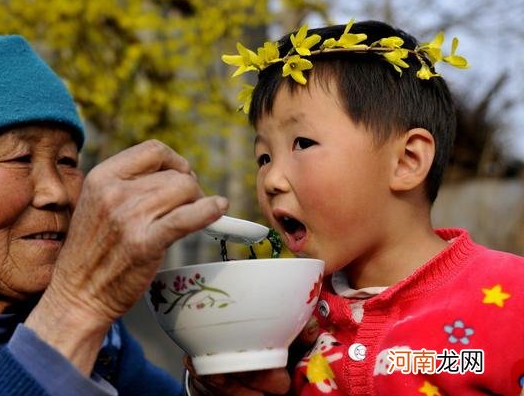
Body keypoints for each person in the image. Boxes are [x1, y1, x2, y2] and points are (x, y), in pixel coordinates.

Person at [186, 20, 524, 395]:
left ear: (407, 160)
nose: (271, 180)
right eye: (263, 157)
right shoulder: (285, 316)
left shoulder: (513, 299)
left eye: (302, 143)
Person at [0, 32, 229, 395]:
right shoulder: (79, 308)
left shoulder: (105, 340)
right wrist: (75, 311)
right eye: (20, 158)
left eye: (67, 161)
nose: (57, 192)